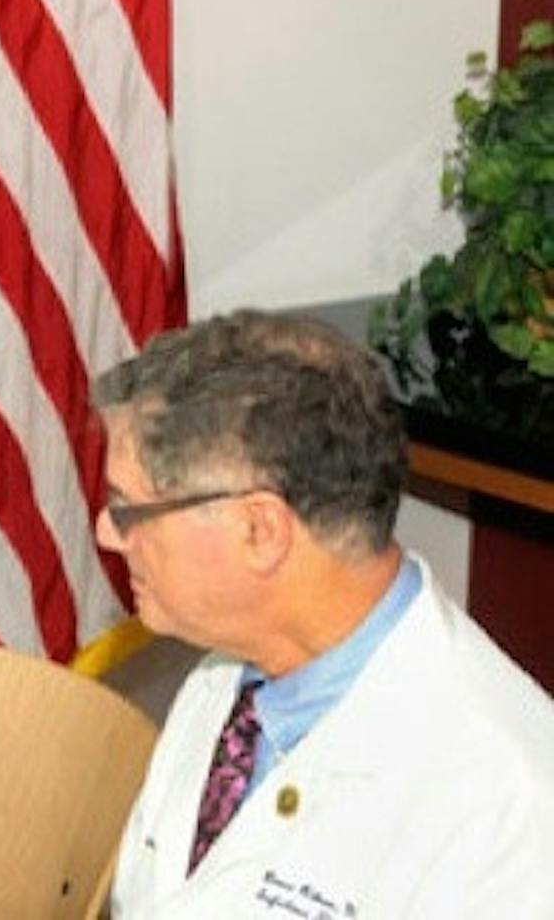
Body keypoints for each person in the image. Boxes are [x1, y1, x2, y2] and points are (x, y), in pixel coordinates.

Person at [94, 310, 554, 916]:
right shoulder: (223, 678)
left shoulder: (508, 805)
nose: (107, 533)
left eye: (129, 510)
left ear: (260, 530)